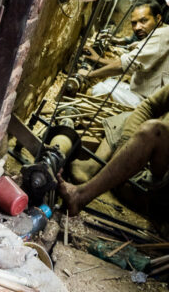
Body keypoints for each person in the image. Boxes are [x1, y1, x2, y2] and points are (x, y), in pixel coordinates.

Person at [59, 83, 169, 223]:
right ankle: (92, 166)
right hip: (154, 163)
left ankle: (80, 196)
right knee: (130, 117)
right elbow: (149, 106)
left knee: (154, 131)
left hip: (156, 191)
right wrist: (126, 143)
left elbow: (156, 134)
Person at [81, 0, 168, 106]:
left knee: (99, 89)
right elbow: (128, 63)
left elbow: (125, 65)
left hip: (148, 104)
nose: (137, 27)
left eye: (144, 21)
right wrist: (99, 60)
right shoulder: (161, 33)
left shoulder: (161, 35)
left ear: (158, 18)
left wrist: (89, 75)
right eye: (134, 23)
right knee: (109, 82)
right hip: (140, 92)